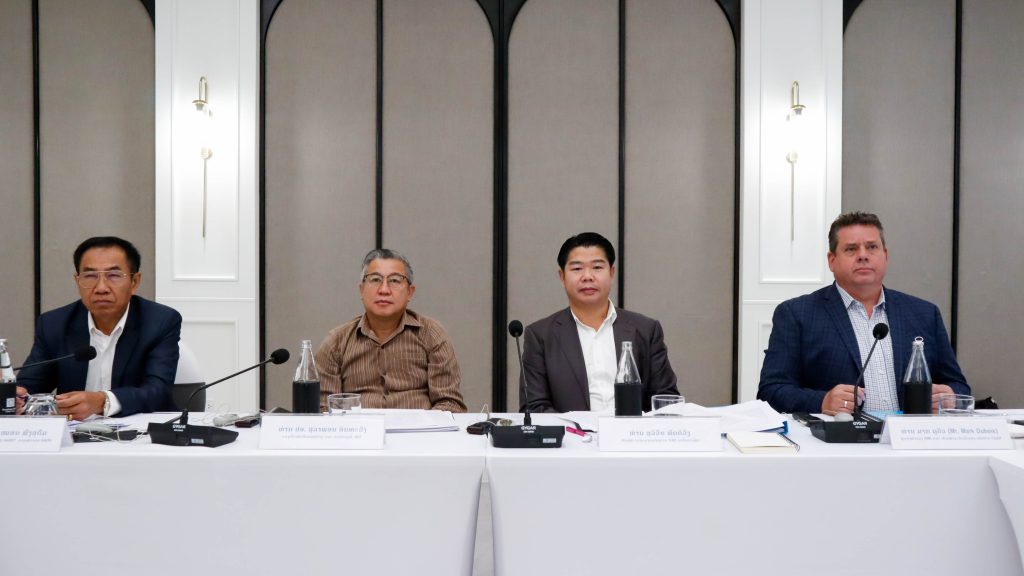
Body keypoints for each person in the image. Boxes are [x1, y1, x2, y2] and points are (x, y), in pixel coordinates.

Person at [757, 212, 969, 415]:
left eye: (872, 247)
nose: (863, 256)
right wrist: (821, 401)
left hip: (909, 436)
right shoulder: (797, 314)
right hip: (839, 438)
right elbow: (771, 391)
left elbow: (959, 386)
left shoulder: (924, 314)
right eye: (851, 249)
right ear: (832, 260)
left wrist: (949, 397)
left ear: (885, 255)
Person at [16, 237, 181, 419]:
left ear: (134, 282)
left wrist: (103, 401)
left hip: (140, 429)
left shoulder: (160, 322)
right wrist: (16, 396)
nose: (101, 288)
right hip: (74, 431)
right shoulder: (54, 324)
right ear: (77, 281)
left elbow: (158, 391)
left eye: (114, 275)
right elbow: (30, 386)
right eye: (90, 276)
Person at [520, 232, 679, 413]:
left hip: (633, 430)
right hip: (572, 431)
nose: (587, 276)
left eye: (597, 267)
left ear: (611, 273)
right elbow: (535, 407)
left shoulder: (645, 330)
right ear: (562, 277)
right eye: (577, 268)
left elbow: (666, 399)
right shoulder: (540, 335)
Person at [314, 249, 467, 412]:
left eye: (394, 280)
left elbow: (449, 403)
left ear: (410, 292)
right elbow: (323, 408)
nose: (384, 289)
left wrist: (425, 426)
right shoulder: (336, 342)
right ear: (361, 290)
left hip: (420, 428)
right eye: (375, 279)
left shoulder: (431, 334)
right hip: (359, 428)